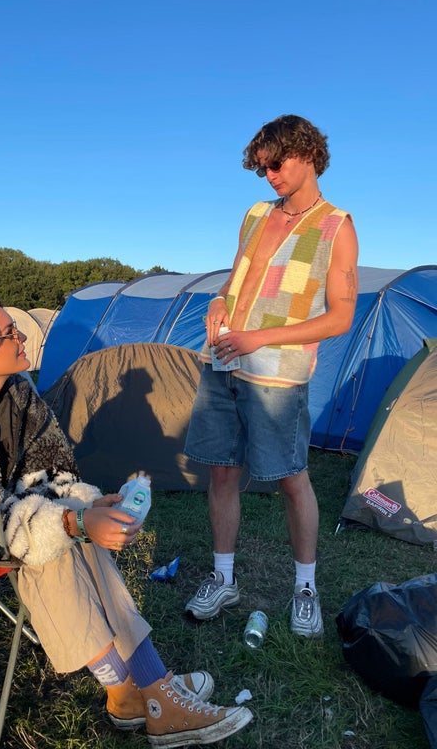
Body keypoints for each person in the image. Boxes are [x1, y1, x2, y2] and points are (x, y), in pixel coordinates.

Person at [0, 294, 253, 748]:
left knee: (65, 530)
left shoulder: (19, 393)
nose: (22, 336)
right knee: (51, 544)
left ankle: (142, 692)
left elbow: (56, 472)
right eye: (9, 333)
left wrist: (89, 507)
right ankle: (140, 691)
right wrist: (72, 523)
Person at [183, 115, 358, 637]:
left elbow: (341, 317)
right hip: (223, 361)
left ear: (307, 153)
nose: (270, 176)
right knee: (221, 471)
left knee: (290, 477)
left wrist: (259, 338)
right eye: (262, 169)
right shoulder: (256, 214)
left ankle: (305, 588)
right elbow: (238, 276)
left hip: (277, 377)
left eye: (276, 164)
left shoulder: (337, 226)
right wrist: (218, 300)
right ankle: (223, 578)